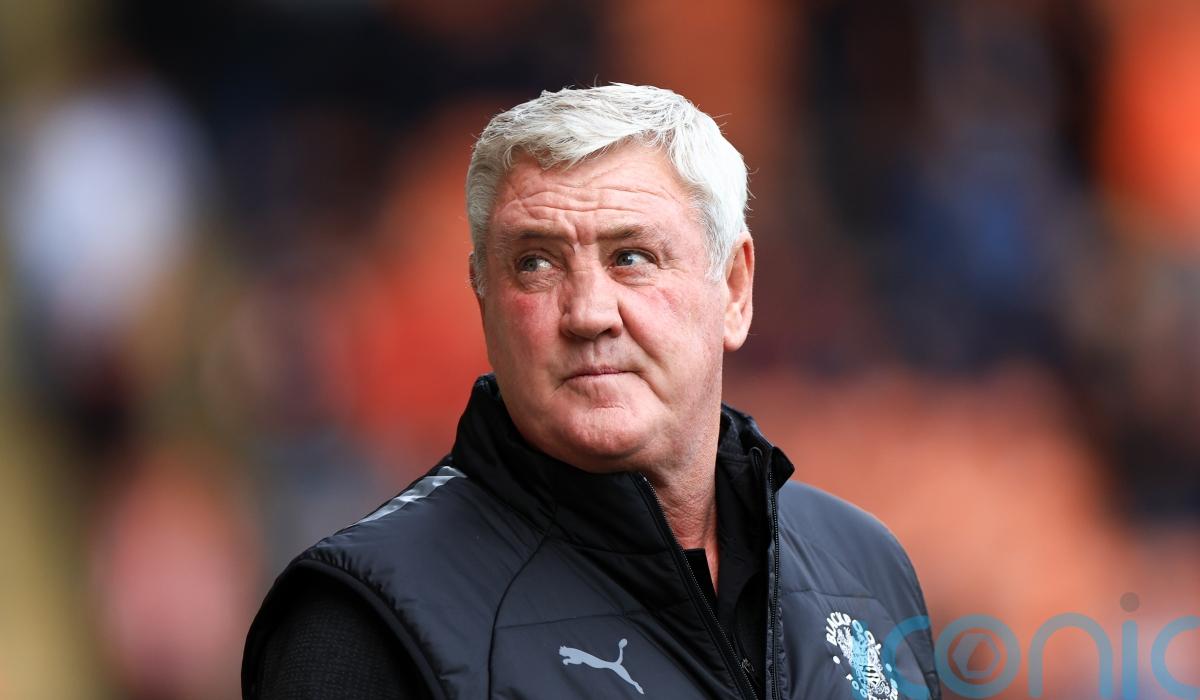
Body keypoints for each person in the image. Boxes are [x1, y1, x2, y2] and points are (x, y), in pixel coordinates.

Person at [242, 84, 941, 699]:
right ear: (483, 298)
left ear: (734, 288)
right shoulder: (366, 622)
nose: (588, 313)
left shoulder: (865, 566)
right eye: (536, 263)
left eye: (631, 257)